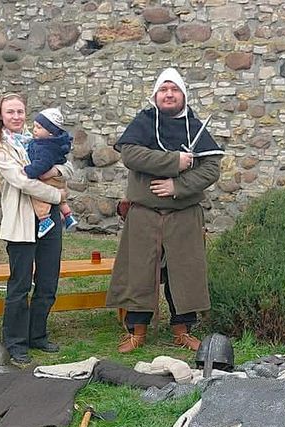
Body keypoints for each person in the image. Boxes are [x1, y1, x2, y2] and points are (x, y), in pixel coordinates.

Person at [107, 67, 224, 353]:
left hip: (183, 214)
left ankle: (182, 330)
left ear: (183, 95)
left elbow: (211, 169)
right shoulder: (144, 122)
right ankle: (137, 331)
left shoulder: (194, 127)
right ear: (155, 95)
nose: (168, 94)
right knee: (139, 272)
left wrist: (177, 186)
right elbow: (131, 155)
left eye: (174, 90)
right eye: (163, 89)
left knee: (183, 272)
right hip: (144, 213)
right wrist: (174, 161)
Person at [0, 92, 73, 366]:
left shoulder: (41, 140)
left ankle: (37, 334)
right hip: (21, 221)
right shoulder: (1, 149)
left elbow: (69, 168)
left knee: (47, 281)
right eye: (10, 112)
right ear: (1, 116)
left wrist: (57, 172)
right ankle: (16, 342)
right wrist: (58, 196)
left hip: (49, 220)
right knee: (20, 285)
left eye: (20, 112)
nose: (17, 117)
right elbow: (23, 181)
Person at [25, 107, 78, 237]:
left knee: (38, 199)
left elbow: (43, 164)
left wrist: (29, 171)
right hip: (59, 182)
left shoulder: (45, 147)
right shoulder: (55, 143)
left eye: (39, 127)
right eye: (34, 126)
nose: (35, 130)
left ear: (50, 132)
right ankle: (68, 216)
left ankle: (44, 219)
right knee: (62, 200)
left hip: (48, 180)